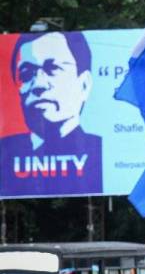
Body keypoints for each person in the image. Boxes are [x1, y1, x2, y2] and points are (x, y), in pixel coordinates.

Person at [0, 31, 102, 196]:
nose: (39, 84)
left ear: (84, 85)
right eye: (26, 74)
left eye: (53, 68)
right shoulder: (5, 152)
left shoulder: (103, 153)